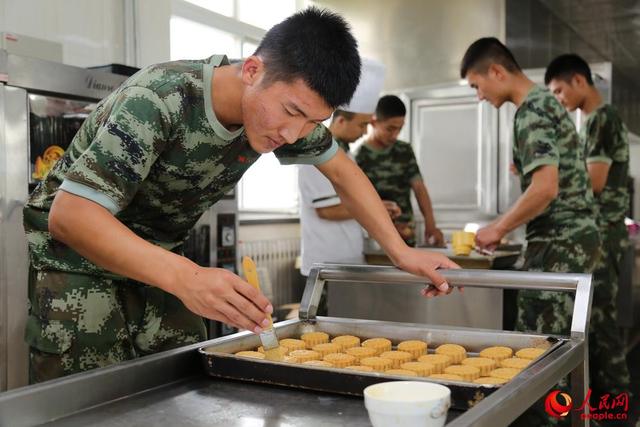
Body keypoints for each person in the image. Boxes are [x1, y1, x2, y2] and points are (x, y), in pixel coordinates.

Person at [23, 7, 457, 383]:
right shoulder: (159, 99)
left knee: (182, 378)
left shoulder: (283, 119)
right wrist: (188, 278)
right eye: (290, 112)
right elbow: (72, 215)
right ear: (252, 70)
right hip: (76, 261)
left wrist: (400, 252)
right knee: (94, 397)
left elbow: (344, 172)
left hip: (157, 258)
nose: (293, 134)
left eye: (311, 121)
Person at [460, 38, 600, 425]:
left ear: (497, 71)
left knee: (543, 352)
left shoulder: (531, 110)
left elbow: (546, 187)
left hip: (559, 241)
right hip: (574, 237)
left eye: (476, 85)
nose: (479, 95)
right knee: (565, 349)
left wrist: (497, 228)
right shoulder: (545, 104)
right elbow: (550, 176)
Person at [545, 53, 631, 398]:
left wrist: (545, 178)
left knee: (601, 323)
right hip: (605, 231)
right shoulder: (597, 120)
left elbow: (594, 182)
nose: (558, 100)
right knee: (596, 322)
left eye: (559, 91)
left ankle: (618, 407)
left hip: (604, 232)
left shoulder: (600, 119)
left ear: (579, 81)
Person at [298, 59, 398, 278]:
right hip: (325, 265)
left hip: (348, 259)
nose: (364, 132)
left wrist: (377, 206)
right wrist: (376, 209)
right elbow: (327, 210)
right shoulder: (315, 152)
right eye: (362, 125)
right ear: (341, 121)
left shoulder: (345, 153)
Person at [355, 95, 444, 247]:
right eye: (390, 129)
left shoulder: (404, 150)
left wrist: (431, 224)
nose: (395, 135)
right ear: (374, 122)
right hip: (376, 235)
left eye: (400, 128)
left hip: (406, 232)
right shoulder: (359, 156)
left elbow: (419, 187)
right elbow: (358, 201)